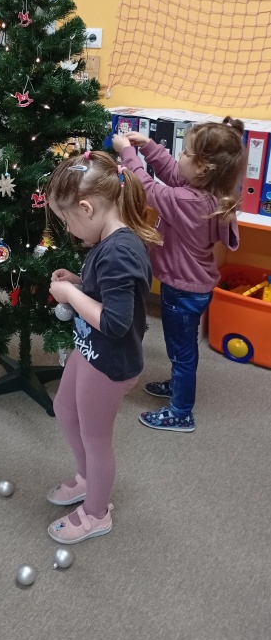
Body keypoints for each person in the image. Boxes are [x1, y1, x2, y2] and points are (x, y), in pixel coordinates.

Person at [45, 150, 160, 544]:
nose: (69, 230)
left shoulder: (120, 251)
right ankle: (87, 478)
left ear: (87, 208)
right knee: (64, 409)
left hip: (109, 361)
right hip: (90, 348)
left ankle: (96, 513)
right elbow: (108, 292)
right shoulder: (108, 241)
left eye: (67, 221)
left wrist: (70, 295)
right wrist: (79, 283)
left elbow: (114, 321)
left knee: (96, 439)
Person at [113, 117, 245, 433]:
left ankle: (181, 412)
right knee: (181, 348)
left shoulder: (188, 201)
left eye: (185, 152)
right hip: (190, 287)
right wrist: (149, 147)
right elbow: (174, 173)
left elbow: (148, 189)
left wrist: (127, 154)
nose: (179, 156)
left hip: (182, 292)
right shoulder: (208, 190)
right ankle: (178, 385)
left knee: (181, 352)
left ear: (203, 168)